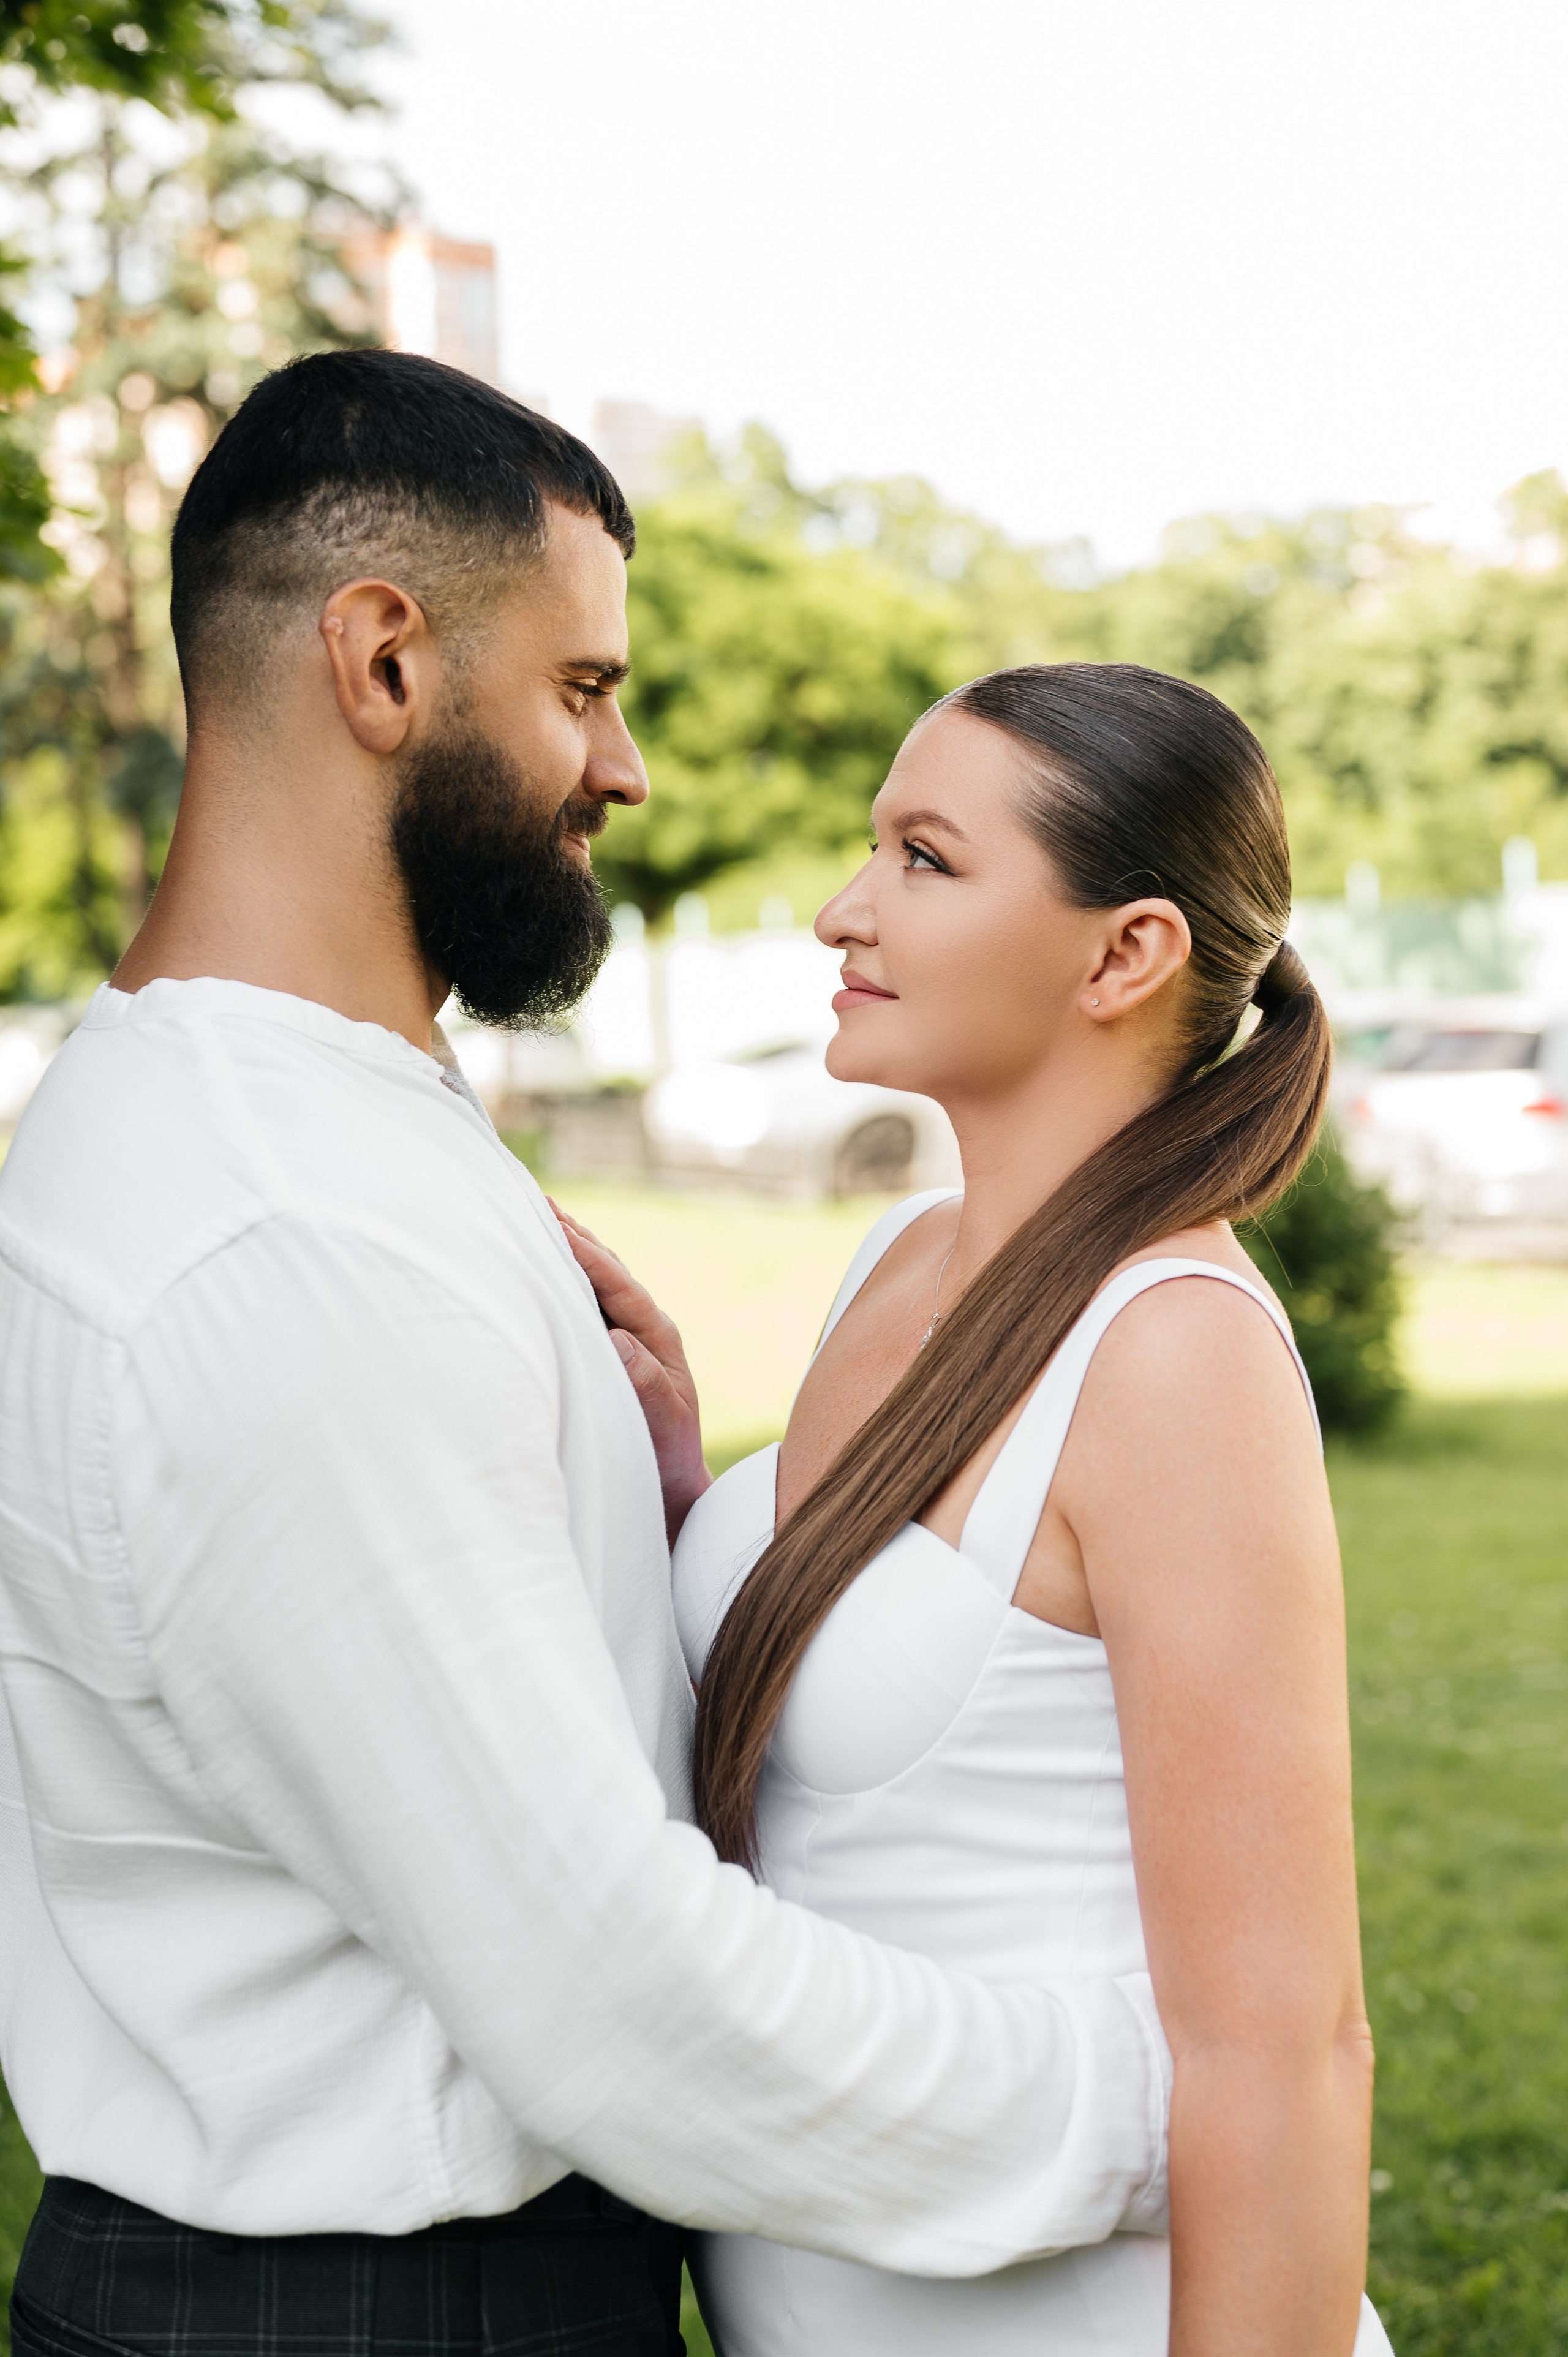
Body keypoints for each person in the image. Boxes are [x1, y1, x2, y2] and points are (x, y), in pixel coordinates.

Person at [0, 355, 1173, 2357]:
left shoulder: (287, 1113)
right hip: (378, 2313)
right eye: (585, 689)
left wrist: (658, 1531)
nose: (621, 768)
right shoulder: (285, 1230)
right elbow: (624, 2002)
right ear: (383, 663)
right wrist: (1154, 2113)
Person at [565, 663, 1395, 2353]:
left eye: (926, 860)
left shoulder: (1174, 1359)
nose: (839, 910)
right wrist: (675, 1493)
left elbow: (1286, 2052)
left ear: (1127, 952)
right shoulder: (901, 1260)